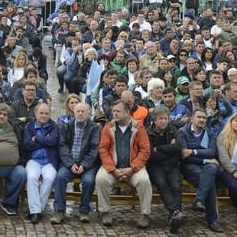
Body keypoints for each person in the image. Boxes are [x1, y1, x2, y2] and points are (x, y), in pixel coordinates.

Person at [95, 99, 152, 229]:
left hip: (133, 168)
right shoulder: (108, 127)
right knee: (100, 179)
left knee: (144, 181)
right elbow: (103, 149)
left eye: (118, 111)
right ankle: (105, 212)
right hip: (113, 167)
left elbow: (145, 150)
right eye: (113, 111)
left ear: (127, 112)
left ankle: (145, 214)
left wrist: (132, 168)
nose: (114, 114)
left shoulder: (138, 128)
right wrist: (112, 169)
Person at [51, 102, 100, 224]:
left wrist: (84, 165)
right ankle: (59, 210)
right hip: (69, 162)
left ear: (89, 113)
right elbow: (62, 146)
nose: (80, 113)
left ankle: (84, 211)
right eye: (78, 111)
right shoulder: (67, 126)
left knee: (89, 181)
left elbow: (94, 149)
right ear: (74, 112)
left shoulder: (94, 128)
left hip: (87, 165)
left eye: (83, 111)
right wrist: (70, 163)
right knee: (60, 177)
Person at [146, 106, 184, 233]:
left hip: (172, 165)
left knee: (176, 186)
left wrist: (160, 148)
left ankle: (174, 215)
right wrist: (169, 149)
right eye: (160, 119)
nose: (163, 121)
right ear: (154, 120)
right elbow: (151, 155)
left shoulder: (173, 130)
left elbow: (178, 147)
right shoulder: (148, 132)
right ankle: (175, 212)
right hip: (155, 166)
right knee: (162, 184)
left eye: (165, 118)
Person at [22, 102, 58, 224]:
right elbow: (27, 144)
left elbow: (53, 141)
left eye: (46, 113)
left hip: (49, 161)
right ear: (36, 113)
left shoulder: (54, 126)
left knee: (50, 178)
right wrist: (44, 140)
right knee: (31, 178)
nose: (44, 115)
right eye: (41, 113)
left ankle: (35, 211)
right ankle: (36, 211)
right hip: (34, 160)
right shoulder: (29, 126)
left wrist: (36, 138)